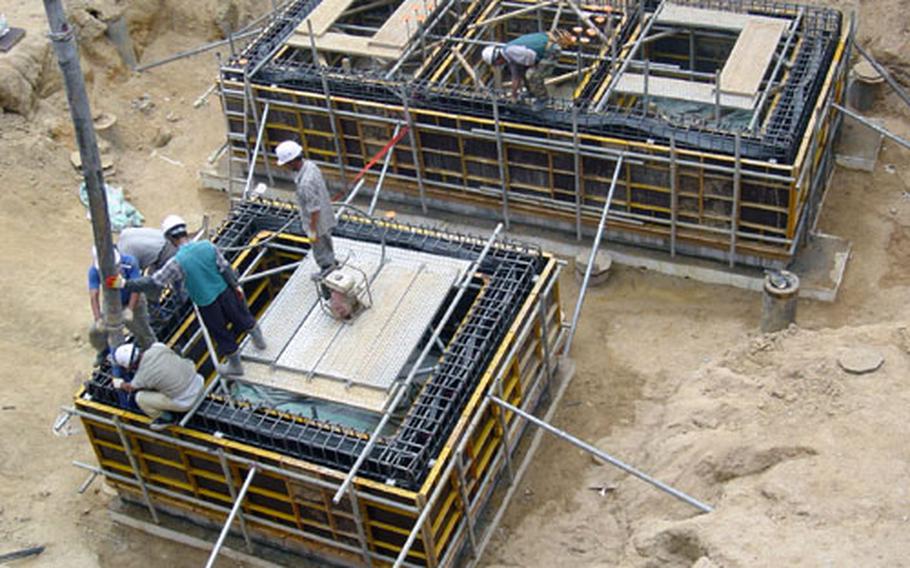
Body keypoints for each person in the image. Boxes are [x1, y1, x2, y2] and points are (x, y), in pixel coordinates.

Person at [111, 215, 266, 376]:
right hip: (225, 291)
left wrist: (124, 284)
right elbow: (225, 268)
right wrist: (236, 287)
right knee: (241, 315)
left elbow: (153, 282)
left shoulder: (177, 262)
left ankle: (236, 366)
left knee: (220, 332)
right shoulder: (207, 246)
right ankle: (260, 342)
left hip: (206, 303)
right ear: (185, 231)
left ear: (170, 238)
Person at [275, 140, 337, 274]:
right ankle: (332, 261)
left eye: (286, 163)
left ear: (291, 161)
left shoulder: (305, 183)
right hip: (326, 214)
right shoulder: (311, 166)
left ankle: (328, 268)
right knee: (326, 241)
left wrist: (312, 230)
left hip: (317, 221)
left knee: (320, 247)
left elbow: (314, 209)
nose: (285, 166)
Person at [111, 342, 204, 430]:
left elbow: (129, 388)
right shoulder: (157, 347)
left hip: (187, 400)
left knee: (140, 398)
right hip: (198, 382)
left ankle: (168, 419)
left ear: (130, 366)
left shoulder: (142, 376)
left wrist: (119, 384)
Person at [88, 246, 156, 364]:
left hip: (134, 300)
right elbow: (94, 295)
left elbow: (136, 288)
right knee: (96, 332)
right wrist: (98, 318)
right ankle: (104, 350)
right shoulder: (94, 271)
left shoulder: (130, 263)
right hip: (112, 302)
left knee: (142, 330)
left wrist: (130, 309)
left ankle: (153, 355)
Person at [481, 30, 573, 103]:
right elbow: (516, 78)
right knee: (524, 73)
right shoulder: (509, 56)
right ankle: (532, 92)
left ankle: (543, 99)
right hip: (544, 47)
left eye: (496, 64)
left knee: (532, 75)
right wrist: (514, 95)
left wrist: (534, 68)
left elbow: (531, 56)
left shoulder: (511, 52)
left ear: (498, 59)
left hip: (551, 49)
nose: (498, 66)